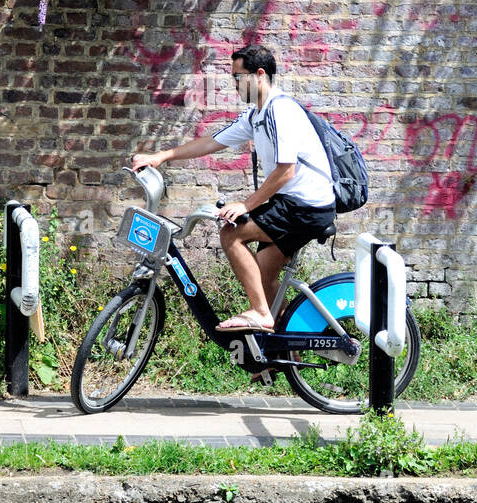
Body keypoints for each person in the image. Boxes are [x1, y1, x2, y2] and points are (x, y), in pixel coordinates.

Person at [130, 44, 336, 332]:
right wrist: (160, 156)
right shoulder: (257, 115)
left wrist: (246, 205)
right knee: (263, 277)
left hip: (305, 207)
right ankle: (283, 356)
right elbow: (212, 142)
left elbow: (285, 170)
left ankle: (261, 314)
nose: (235, 84)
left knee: (231, 233)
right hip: (292, 205)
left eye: (238, 77)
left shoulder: (281, 110)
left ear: (259, 75)